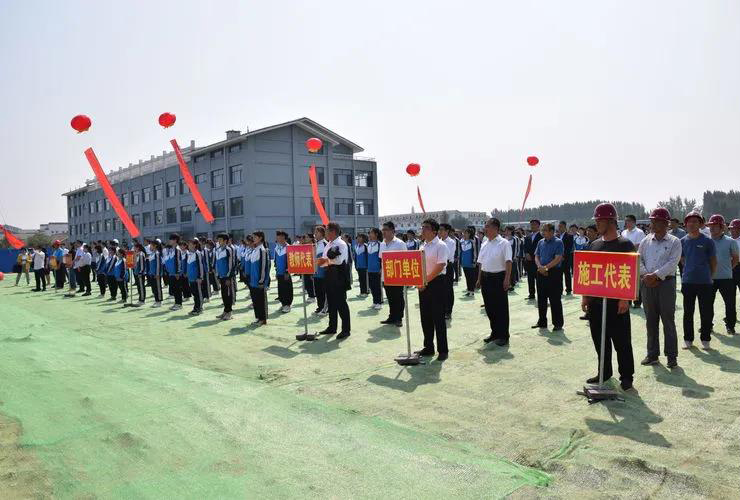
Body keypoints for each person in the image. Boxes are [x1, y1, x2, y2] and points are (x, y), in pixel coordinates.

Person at [582, 203, 636, 391]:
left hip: (617, 303)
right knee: (600, 339)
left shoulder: (625, 245)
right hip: (596, 303)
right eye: (596, 220)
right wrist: (585, 296)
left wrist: (625, 298)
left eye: (600, 220)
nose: (596, 224)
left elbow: (631, 273)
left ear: (611, 221)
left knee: (622, 342)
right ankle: (604, 371)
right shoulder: (594, 245)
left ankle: (626, 376)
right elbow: (588, 272)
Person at [638, 208, 682, 368]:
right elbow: (638, 260)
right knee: (650, 320)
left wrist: (655, 275)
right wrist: (646, 275)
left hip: (666, 284)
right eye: (652, 221)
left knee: (668, 320)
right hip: (647, 284)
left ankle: (671, 356)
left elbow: (673, 263)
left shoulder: (674, 242)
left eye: (656, 221)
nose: (653, 224)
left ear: (665, 223)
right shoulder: (645, 241)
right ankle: (652, 354)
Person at [680, 211, 717, 349]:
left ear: (700, 224)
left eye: (695, 221)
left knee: (705, 312)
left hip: (705, 282)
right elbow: (682, 259)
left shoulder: (708, 241)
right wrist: (690, 269)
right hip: (688, 281)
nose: (692, 224)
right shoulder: (682, 241)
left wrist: (710, 276)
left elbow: (713, 261)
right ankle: (688, 339)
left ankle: (705, 339)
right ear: (686, 224)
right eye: (689, 221)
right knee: (688, 312)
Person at [414, 218, 449, 361]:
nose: (423, 230)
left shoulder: (441, 245)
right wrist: (419, 281)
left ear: (434, 231)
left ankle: (443, 350)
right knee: (425, 317)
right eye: (422, 227)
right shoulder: (422, 246)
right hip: (424, 284)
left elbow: (440, 266)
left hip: (437, 283)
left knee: (438, 318)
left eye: (426, 227)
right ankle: (428, 347)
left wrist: (425, 280)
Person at [476, 218, 512, 346]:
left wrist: (507, 279)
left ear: (496, 228)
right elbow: (481, 263)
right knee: (489, 307)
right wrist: (479, 279)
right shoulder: (485, 243)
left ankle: (504, 335)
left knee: (501, 308)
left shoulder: (504, 243)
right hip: (486, 278)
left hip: (498, 277)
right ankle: (495, 332)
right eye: (485, 226)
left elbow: (508, 262)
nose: (485, 229)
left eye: (488, 226)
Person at [317, 222, 351, 339]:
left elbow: (339, 261)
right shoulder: (329, 244)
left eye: (326, 230)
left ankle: (346, 330)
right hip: (329, 275)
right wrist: (323, 262)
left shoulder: (341, 244)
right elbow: (324, 259)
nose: (325, 232)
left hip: (339, 276)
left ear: (333, 232)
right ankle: (332, 327)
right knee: (331, 303)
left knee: (341, 303)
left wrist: (324, 262)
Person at [707, 215, 738, 335]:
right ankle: (707, 326)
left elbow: (735, 259)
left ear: (722, 227)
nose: (711, 228)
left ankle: (730, 326)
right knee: (707, 304)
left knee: (730, 303)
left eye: (714, 226)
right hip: (709, 278)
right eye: (710, 226)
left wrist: (728, 269)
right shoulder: (706, 241)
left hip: (726, 278)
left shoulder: (731, 241)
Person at [533, 223, 564, 331]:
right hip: (541, 272)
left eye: (545, 230)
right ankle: (542, 322)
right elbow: (536, 256)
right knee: (541, 298)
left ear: (551, 231)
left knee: (554, 299)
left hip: (553, 273)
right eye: (542, 230)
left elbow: (558, 258)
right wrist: (540, 267)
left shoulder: (558, 242)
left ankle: (558, 323)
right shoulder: (540, 242)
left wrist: (546, 268)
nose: (543, 232)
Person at [379, 221, 406, 327]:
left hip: (397, 275)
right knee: (390, 297)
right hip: (386, 275)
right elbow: (381, 259)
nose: (383, 232)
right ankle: (392, 317)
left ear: (392, 231)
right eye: (383, 230)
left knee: (398, 297)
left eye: (386, 230)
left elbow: (405, 259)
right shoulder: (382, 244)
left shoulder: (400, 243)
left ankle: (399, 318)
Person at [621, 215, 646, 308]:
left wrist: (627, 250)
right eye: (626, 221)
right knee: (627, 279)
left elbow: (639, 245)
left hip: (636, 259)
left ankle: (637, 302)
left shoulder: (639, 232)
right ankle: (628, 300)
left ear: (634, 222)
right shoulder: (623, 232)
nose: (627, 223)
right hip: (625, 260)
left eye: (628, 221)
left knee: (636, 282)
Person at [248, 231, 270, 325]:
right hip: (253, 281)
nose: (253, 239)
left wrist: (261, 281)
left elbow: (264, 267)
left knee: (261, 301)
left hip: (259, 281)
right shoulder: (254, 250)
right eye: (253, 237)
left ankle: (262, 319)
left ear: (260, 238)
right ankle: (258, 317)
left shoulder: (262, 250)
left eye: (255, 237)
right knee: (255, 300)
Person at [215, 233, 235, 321]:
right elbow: (217, 264)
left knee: (228, 294)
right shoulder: (218, 250)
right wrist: (218, 275)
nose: (218, 241)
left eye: (220, 240)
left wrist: (228, 277)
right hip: (221, 276)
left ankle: (229, 312)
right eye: (218, 239)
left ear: (225, 241)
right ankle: (225, 311)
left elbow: (231, 264)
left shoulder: (228, 250)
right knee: (223, 294)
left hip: (227, 277)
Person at [439, 223, 456, 320]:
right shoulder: (438, 241)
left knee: (448, 290)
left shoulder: (451, 242)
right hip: (439, 267)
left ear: (447, 231)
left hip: (447, 266)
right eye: (439, 229)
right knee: (441, 289)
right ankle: (442, 309)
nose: (440, 231)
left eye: (442, 229)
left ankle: (448, 311)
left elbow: (448, 255)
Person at [523, 219, 543, 301]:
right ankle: (531, 294)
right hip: (529, 261)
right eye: (531, 224)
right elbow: (525, 247)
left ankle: (541, 295)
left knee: (539, 279)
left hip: (538, 261)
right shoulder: (528, 237)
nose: (533, 226)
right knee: (530, 278)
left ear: (538, 226)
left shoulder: (542, 236)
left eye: (534, 224)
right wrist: (526, 253)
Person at [274, 231, 293, 313]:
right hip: (279, 272)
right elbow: (275, 261)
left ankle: (287, 304)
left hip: (286, 273)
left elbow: (290, 261)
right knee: (281, 288)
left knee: (287, 288)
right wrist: (276, 271)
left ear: (284, 238)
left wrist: (287, 272)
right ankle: (283, 303)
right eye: (277, 237)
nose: (277, 238)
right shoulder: (277, 248)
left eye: (279, 237)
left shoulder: (288, 247)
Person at [186, 239, 205, 316]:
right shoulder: (189, 254)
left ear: (195, 245)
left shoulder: (198, 254)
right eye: (188, 244)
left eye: (190, 244)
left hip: (197, 278)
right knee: (194, 294)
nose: (189, 246)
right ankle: (196, 307)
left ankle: (199, 308)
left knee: (198, 294)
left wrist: (200, 277)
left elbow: (200, 266)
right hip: (191, 278)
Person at [166, 234, 184, 311]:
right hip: (171, 273)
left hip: (176, 273)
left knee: (177, 289)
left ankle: (179, 304)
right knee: (174, 289)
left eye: (171, 239)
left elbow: (178, 262)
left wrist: (177, 272)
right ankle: (176, 303)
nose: (169, 241)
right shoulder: (171, 250)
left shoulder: (177, 250)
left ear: (175, 240)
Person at [313, 226, 328, 315]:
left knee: (323, 291)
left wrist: (325, 272)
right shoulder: (315, 244)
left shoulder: (325, 244)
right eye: (315, 232)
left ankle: (325, 308)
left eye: (316, 232)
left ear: (322, 233)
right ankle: (320, 306)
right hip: (316, 273)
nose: (315, 234)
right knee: (318, 291)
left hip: (323, 273)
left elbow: (327, 260)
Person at [366, 228, 383, 310]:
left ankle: (379, 302)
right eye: (369, 233)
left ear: (376, 234)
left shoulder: (380, 244)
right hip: (370, 269)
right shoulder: (369, 244)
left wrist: (381, 268)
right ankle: (375, 301)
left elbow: (382, 258)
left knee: (377, 286)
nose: (369, 234)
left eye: (371, 233)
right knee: (372, 286)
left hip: (377, 269)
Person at [460, 228, 479, 296]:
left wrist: (474, 261)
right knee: (467, 277)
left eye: (466, 233)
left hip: (470, 263)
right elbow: (461, 253)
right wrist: (461, 262)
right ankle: (469, 290)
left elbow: (475, 252)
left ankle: (472, 291)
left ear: (469, 234)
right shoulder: (462, 242)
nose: (464, 234)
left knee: (471, 277)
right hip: (464, 262)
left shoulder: (472, 242)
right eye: (464, 233)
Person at [558, 221, 575, 295]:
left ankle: (568, 289)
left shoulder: (569, 236)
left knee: (567, 274)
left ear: (565, 227)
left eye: (561, 226)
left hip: (566, 258)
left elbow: (569, 248)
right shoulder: (556, 236)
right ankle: (560, 289)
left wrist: (563, 256)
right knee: (559, 275)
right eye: (559, 226)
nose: (559, 228)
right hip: (557, 259)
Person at [148, 240, 163, 307]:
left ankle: (159, 301)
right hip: (152, 274)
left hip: (156, 274)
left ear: (155, 246)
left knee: (158, 288)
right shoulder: (152, 254)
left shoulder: (157, 253)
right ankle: (156, 300)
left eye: (151, 245)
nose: (150, 247)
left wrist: (157, 273)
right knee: (154, 288)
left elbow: (158, 264)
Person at [354, 233, 369, 297]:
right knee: (360, 279)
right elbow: (355, 257)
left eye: (359, 237)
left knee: (365, 279)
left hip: (364, 266)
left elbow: (368, 256)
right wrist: (356, 265)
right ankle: (362, 291)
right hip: (359, 266)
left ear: (363, 238)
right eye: (357, 237)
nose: (358, 239)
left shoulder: (366, 246)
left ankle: (365, 292)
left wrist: (368, 266)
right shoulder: (356, 246)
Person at [731, 219, 740, 301]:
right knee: (730, 294)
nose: (733, 230)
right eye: (731, 228)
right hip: (730, 268)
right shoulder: (727, 240)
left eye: (735, 228)